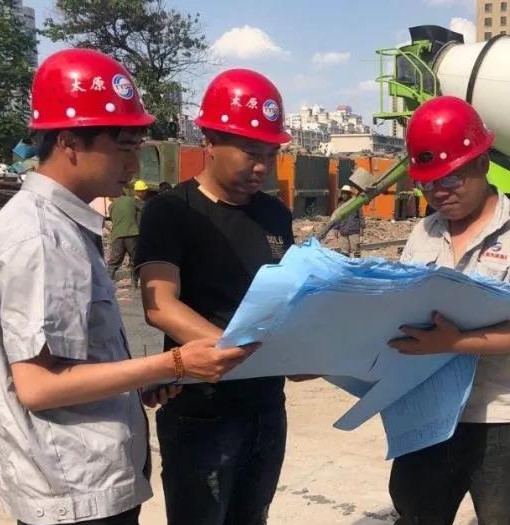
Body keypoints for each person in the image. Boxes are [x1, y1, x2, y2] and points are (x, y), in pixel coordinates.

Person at [0, 49, 254, 525]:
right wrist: (174, 362)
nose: (134, 165)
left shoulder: (64, 225)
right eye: (124, 147)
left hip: (88, 482)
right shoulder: (39, 238)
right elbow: (38, 386)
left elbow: (75, 362)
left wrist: (140, 379)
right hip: (72, 494)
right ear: (69, 142)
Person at [387, 96, 510, 525]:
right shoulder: (424, 233)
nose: (439, 193)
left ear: (483, 162)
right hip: (427, 414)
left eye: (451, 178)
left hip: (499, 417)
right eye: (428, 184)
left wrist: (456, 343)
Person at [136, 68, 295, 525]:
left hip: (266, 405)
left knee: (252, 516)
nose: (262, 167)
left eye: (271, 154)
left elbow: (287, 297)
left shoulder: (274, 215)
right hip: (202, 411)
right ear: (210, 141)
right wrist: (235, 350)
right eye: (251, 153)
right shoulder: (172, 211)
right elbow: (159, 305)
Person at [107, 180, 147, 287]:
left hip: (117, 236)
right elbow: (143, 209)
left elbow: (113, 220)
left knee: (114, 261)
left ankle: (106, 284)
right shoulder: (132, 201)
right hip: (132, 234)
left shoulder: (111, 206)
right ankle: (134, 284)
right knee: (134, 260)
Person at [333, 184, 365, 257]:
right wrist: (336, 228)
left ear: (349, 194)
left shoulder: (355, 203)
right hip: (343, 231)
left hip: (354, 231)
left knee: (356, 251)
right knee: (344, 252)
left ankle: (357, 263)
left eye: (346, 193)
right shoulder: (340, 204)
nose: (344, 195)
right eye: (343, 193)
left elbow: (361, 217)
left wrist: (361, 231)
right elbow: (337, 217)